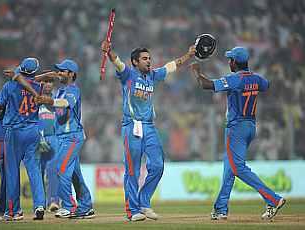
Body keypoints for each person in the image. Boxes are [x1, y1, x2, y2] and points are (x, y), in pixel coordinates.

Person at [101, 40, 196, 221]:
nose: (149, 61)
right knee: (132, 170)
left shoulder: (152, 75)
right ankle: (133, 210)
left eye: (149, 58)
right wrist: (109, 52)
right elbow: (118, 62)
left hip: (150, 127)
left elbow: (172, 66)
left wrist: (189, 54)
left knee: (158, 165)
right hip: (132, 126)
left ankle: (144, 203)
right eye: (145, 59)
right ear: (135, 62)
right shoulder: (128, 74)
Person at [189, 46, 286, 221]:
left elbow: (206, 85)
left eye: (230, 60)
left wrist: (196, 72)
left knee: (237, 168)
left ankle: (273, 199)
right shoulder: (256, 78)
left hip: (236, 128)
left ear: (234, 62)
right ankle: (220, 209)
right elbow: (268, 85)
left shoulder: (235, 79)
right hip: (250, 126)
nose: (228, 62)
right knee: (229, 167)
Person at [36, 59, 94, 219]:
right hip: (62, 137)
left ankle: (69, 206)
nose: (59, 73)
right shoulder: (60, 90)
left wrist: (49, 100)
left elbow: (65, 104)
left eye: (62, 71)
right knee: (75, 175)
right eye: (59, 70)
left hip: (72, 137)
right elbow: (35, 84)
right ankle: (86, 206)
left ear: (71, 74)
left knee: (60, 169)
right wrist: (47, 75)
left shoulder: (73, 90)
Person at [0, 57, 46, 221]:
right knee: (34, 170)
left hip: (14, 132)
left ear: (21, 69)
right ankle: (39, 205)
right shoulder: (39, 87)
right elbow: (37, 80)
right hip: (33, 131)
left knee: (12, 172)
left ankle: (14, 211)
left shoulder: (9, 86)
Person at [37, 79, 60, 212]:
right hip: (38, 137)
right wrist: (38, 136)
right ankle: (40, 203)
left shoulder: (57, 97)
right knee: (38, 171)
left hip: (54, 137)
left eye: (50, 81)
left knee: (53, 169)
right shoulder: (35, 97)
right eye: (45, 81)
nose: (48, 84)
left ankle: (54, 200)